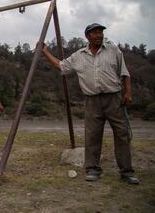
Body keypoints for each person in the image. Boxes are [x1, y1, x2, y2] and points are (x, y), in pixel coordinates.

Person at [40, 23, 139, 184]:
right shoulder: (79, 55)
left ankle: (127, 172)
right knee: (92, 135)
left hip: (114, 98)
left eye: (101, 32)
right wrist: (45, 52)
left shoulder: (113, 50)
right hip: (92, 100)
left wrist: (128, 92)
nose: (99, 35)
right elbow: (61, 66)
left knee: (122, 134)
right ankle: (92, 169)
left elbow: (124, 73)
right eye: (95, 33)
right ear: (87, 37)